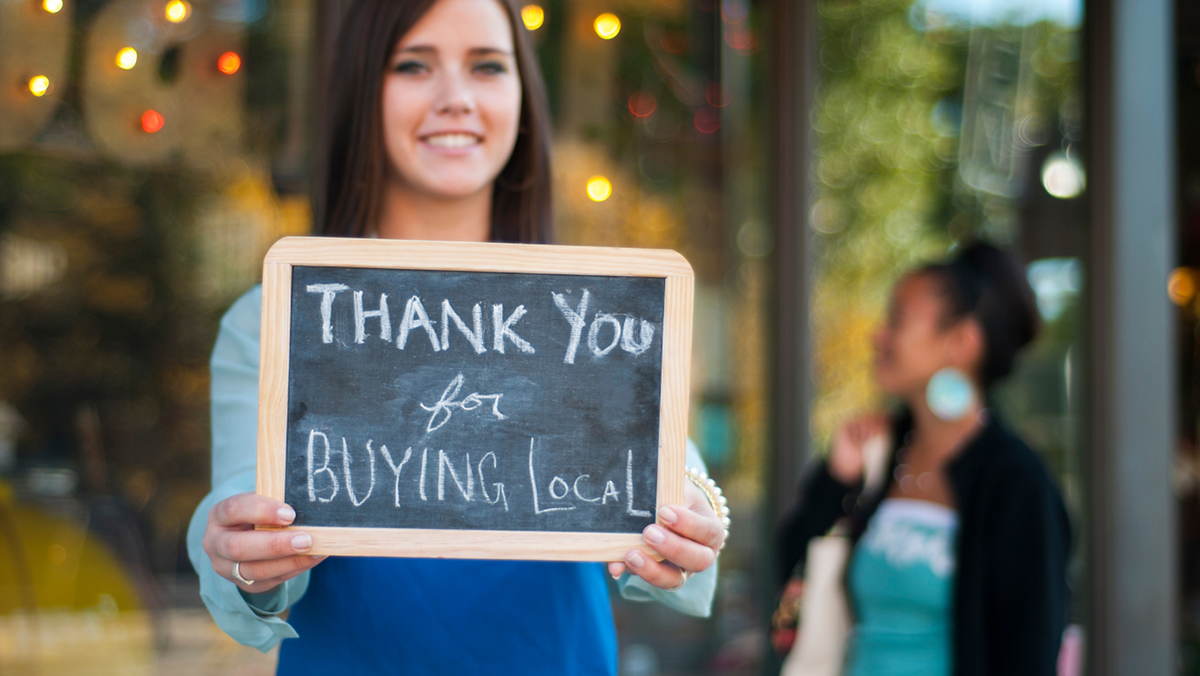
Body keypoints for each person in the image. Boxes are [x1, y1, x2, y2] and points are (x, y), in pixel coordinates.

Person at [185, 0, 727, 673]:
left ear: (523, 101)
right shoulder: (276, 317)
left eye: (487, 66)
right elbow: (241, 517)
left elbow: (663, 475)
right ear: (363, 92)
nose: (456, 98)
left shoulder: (588, 308)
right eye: (414, 64)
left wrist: (695, 514)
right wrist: (240, 551)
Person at [776, 242, 1071, 676]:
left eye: (897, 319)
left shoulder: (1016, 482)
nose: (878, 335)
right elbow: (791, 574)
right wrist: (837, 480)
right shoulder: (877, 457)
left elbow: (1030, 655)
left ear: (961, 342)